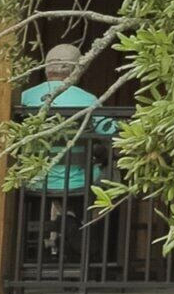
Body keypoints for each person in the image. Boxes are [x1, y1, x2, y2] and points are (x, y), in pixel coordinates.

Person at [18, 42, 107, 195]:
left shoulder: (25, 97)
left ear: (46, 68)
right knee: (111, 173)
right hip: (77, 182)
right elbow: (108, 131)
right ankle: (77, 217)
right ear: (76, 69)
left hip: (32, 180)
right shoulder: (87, 99)